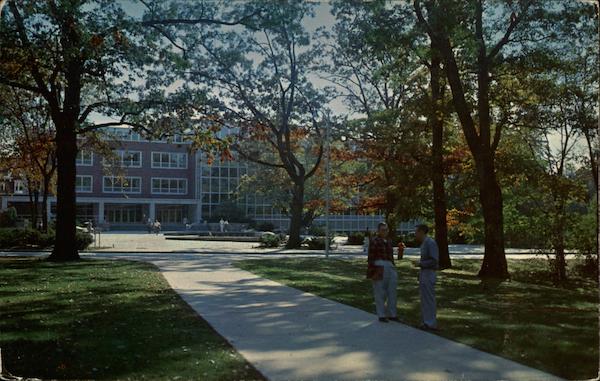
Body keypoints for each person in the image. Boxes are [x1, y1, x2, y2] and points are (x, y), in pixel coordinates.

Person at [366, 222, 399, 323]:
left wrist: (393, 266)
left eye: (386, 229)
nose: (385, 231)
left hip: (390, 265)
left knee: (392, 291)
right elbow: (371, 257)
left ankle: (392, 314)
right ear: (378, 231)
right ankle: (381, 314)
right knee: (380, 292)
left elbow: (391, 256)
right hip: (379, 265)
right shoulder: (375, 241)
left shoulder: (389, 241)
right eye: (383, 230)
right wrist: (372, 271)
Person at [415, 224, 439, 331]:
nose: (415, 234)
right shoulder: (424, 243)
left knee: (429, 298)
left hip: (429, 273)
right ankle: (426, 321)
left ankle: (431, 323)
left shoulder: (430, 243)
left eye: (416, 232)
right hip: (424, 273)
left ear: (421, 232)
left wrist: (421, 264)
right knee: (424, 299)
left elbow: (434, 260)